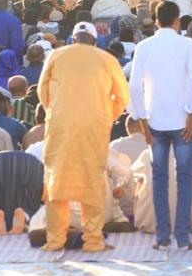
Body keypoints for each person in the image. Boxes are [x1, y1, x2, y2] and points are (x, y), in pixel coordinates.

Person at [38, 21, 130, 252]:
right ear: (94, 40)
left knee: (56, 179)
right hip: (93, 127)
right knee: (93, 179)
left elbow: (42, 91)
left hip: (61, 127)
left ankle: (55, 241)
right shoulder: (107, 59)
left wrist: (56, 112)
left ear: (72, 38)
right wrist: (105, 117)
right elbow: (122, 97)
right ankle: (93, 241)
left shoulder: (56, 55)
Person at [127, 1, 192, 251]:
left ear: (156, 21)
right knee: (184, 178)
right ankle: (182, 236)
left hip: (155, 121)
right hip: (183, 121)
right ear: (177, 20)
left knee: (158, 179)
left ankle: (162, 237)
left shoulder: (144, 46)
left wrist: (142, 120)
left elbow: (134, 86)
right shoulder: (187, 44)